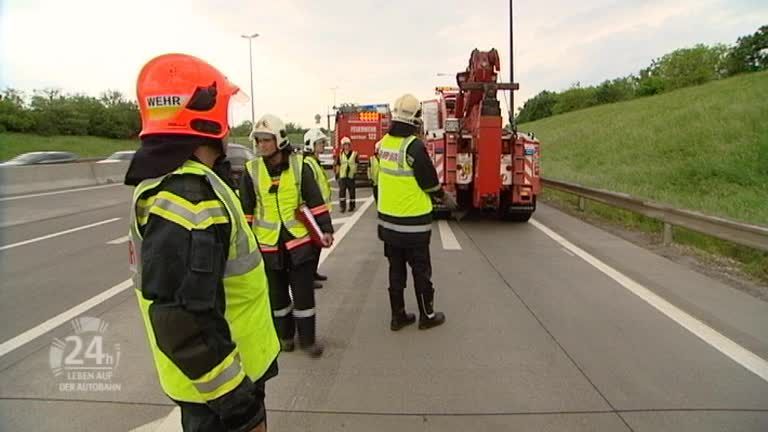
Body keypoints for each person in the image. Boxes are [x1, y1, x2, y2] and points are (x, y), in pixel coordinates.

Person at [125, 53, 278, 432]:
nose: (228, 128)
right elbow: (182, 317)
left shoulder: (179, 183)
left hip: (216, 384)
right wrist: (239, 406)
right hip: (223, 395)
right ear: (202, 114)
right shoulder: (188, 196)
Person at [240, 114, 334, 358]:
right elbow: (247, 213)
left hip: (299, 244)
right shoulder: (250, 171)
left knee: (303, 295)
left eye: (266, 140)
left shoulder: (299, 166)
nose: (261, 145)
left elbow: (316, 202)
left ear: (280, 140)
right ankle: (285, 337)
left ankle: (308, 341)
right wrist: (247, 245)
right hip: (268, 247)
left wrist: (326, 229)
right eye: (258, 140)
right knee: (277, 297)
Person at [377, 93, 458, 331]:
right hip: (413, 226)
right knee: (421, 271)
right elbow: (429, 182)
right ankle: (427, 316)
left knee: (396, 270)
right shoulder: (414, 147)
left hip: (388, 224)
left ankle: (398, 316)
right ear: (415, 119)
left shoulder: (384, 145)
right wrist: (445, 197)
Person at [303, 128, 333, 288]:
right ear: (311, 145)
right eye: (320, 143)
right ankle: (309, 277)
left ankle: (313, 272)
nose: (323, 146)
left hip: (319, 210)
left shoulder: (314, 162)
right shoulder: (308, 164)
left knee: (317, 246)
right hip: (313, 212)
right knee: (313, 247)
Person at [335, 137, 358, 213]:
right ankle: (342, 207)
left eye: (347, 145)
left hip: (351, 176)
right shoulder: (340, 155)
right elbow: (338, 164)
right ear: (342, 146)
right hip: (343, 176)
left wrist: (355, 173)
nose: (346, 146)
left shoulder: (354, 154)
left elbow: (357, 164)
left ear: (349, 145)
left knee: (352, 193)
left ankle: (352, 206)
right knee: (342, 193)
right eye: (345, 145)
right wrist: (337, 174)